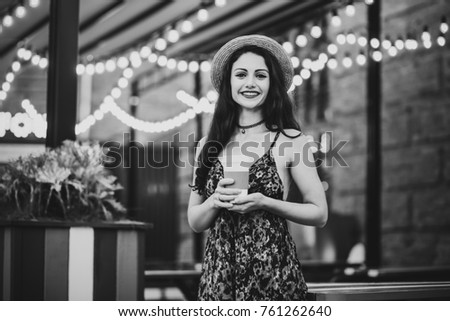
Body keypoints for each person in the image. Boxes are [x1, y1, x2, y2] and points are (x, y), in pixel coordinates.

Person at [188, 34, 328, 300]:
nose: (250, 83)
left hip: (273, 276)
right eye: (241, 75)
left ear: (271, 84)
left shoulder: (291, 141)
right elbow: (195, 221)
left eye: (260, 76)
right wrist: (214, 201)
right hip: (219, 278)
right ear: (229, 83)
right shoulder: (208, 144)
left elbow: (319, 214)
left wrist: (264, 202)